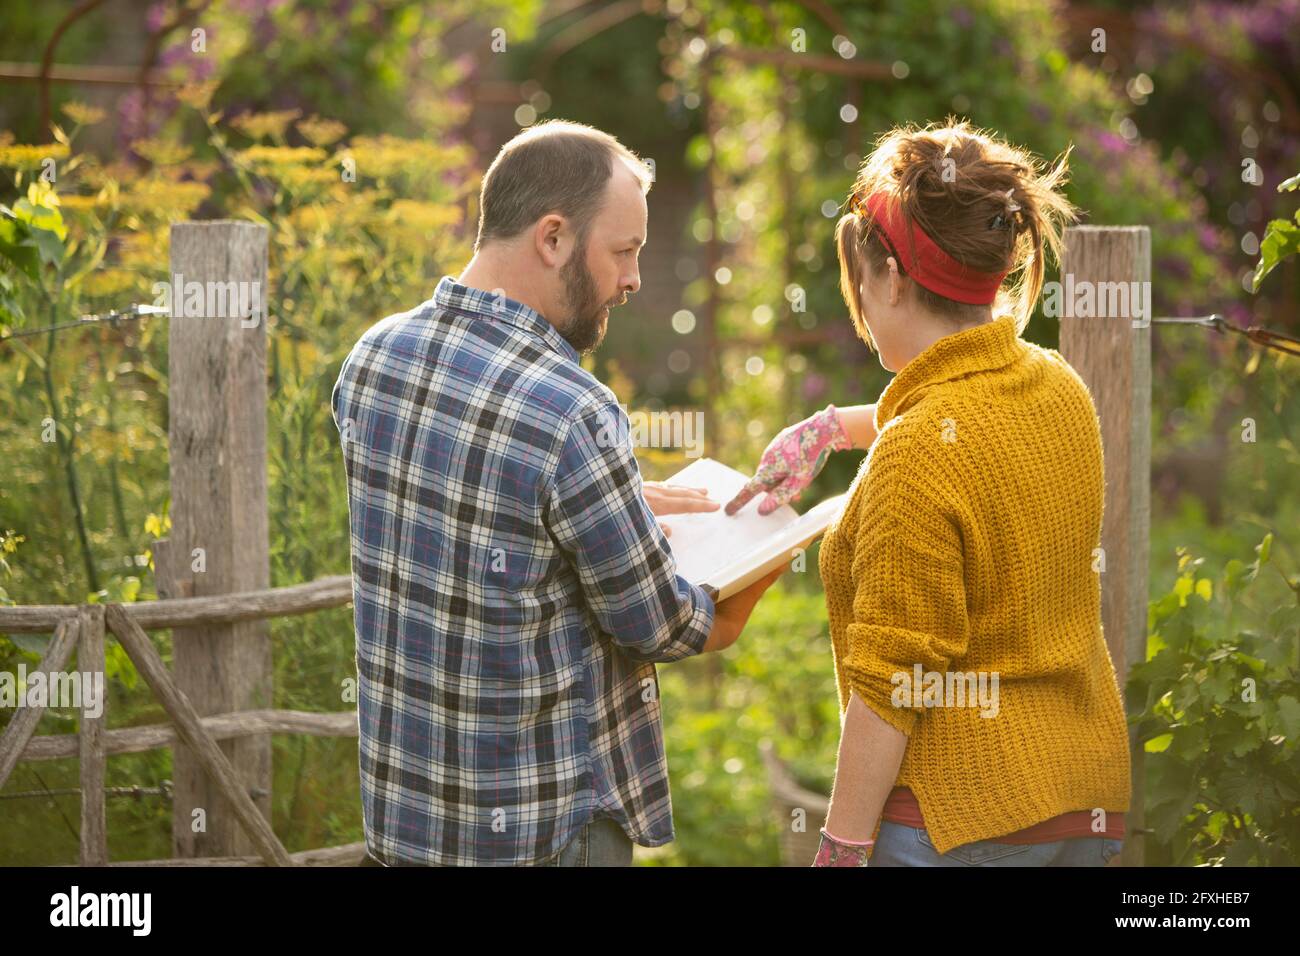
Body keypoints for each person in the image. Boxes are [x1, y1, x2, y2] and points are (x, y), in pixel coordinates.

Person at [332, 119, 780, 867]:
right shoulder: (572, 412)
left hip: (402, 828)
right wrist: (772, 548)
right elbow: (664, 627)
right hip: (541, 839)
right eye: (624, 251)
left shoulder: (372, 361)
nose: (634, 279)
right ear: (552, 238)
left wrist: (608, 495)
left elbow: (464, 500)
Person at [727, 119, 1130, 867]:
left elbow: (893, 684)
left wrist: (842, 847)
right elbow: (966, 410)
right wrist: (831, 428)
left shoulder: (917, 454)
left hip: (953, 823)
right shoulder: (1056, 388)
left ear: (890, 278)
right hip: (1082, 802)